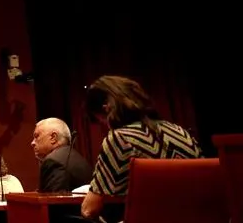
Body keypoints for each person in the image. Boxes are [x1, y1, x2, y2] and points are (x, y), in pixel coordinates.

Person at [80, 75, 202, 221]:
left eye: (100, 121)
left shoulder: (120, 139)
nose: (104, 126)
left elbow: (89, 209)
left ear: (106, 108)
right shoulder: (180, 132)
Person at [31, 118, 92, 192]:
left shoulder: (53, 162)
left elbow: (52, 201)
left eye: (37, 136)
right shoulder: (81, 160)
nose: (32, 143)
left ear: (53, 137)